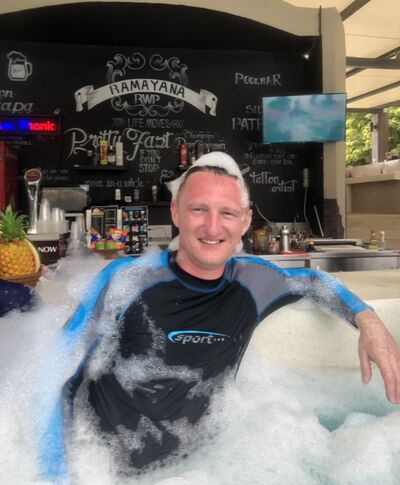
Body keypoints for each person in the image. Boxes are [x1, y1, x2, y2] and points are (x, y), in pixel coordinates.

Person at [39, 152, 400, 480]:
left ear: (245, 221)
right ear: (176, 212)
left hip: (200, 468)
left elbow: (315, 282)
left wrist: (368, 320)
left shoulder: (255, 282)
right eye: (199, 210)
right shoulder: (125, 281)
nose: (213, 228)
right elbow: (54, 378)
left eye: (227, 213)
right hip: (101, 468)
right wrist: (56, 477)